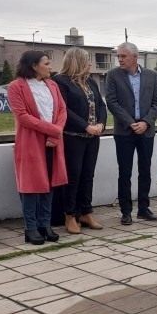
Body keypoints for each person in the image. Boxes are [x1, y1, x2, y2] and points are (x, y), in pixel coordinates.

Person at [7, 51, 67, 245]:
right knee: (31, 187)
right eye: (46, 63)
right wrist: (54, 130)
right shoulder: (16, 87)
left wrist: (54, 134)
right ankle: (30, 227)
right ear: (34, 66)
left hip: (52, 142)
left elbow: (62, 110)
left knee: (49, 185)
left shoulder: (52, 85)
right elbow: (23, 116)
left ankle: (45, 224)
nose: (50, 67)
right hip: (30, 142)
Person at [106, 41, 157, 225]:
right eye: (119, 56)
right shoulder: (113, 75)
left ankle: (144, 209)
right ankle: (126, 211)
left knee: (145, 171)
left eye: (123, 56)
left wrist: (146, 122)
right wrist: (131, 123)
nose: (119, 59)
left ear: (135, 57)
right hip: (124, 131)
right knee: (125, 172)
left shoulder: (151, 75)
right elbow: (112, 102)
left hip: (146, 131)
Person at [53, 47, 107, 234]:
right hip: (72, 138)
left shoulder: (90, 81)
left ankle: (86, 212)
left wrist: (100, 123)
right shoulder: (60, 82)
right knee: (73, 177)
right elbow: (63, 110)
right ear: (77, 62)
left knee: (88, 175)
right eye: (87, 61)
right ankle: (70, 215)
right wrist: (85, 125)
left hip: (92, 137)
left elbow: (100, 104)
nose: (90, 64)